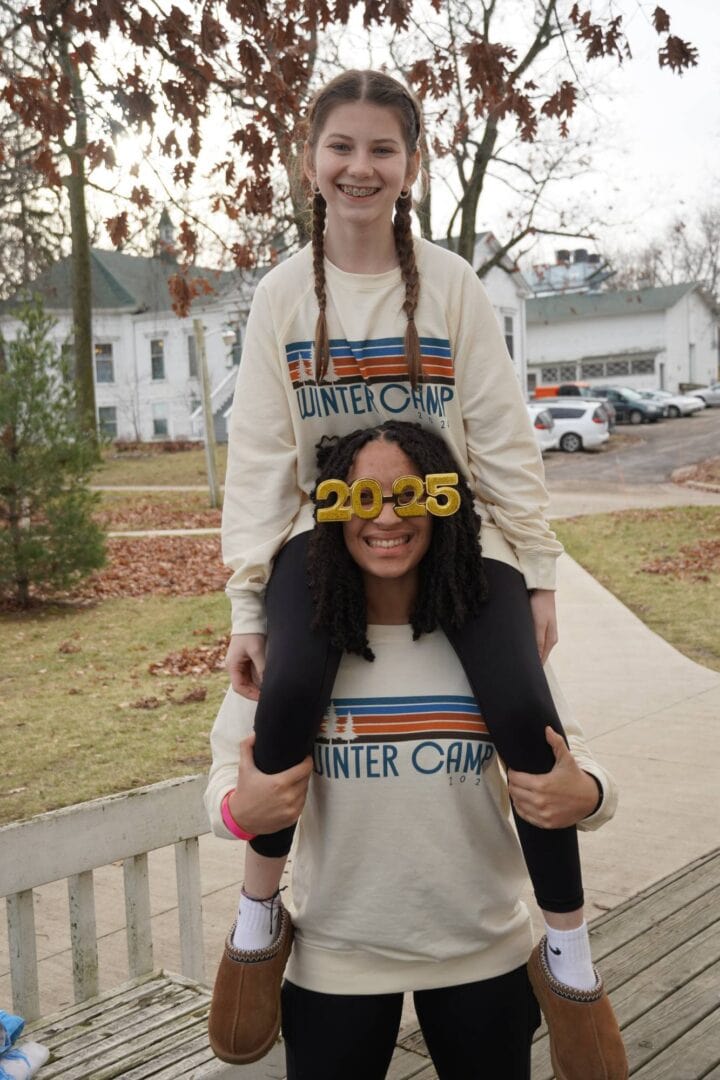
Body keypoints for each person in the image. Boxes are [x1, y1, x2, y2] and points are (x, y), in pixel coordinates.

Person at [217, 65, 618, 1068]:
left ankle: (566, 948)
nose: (361, 166)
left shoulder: (449, 285)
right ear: (310, 161)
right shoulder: (279, 296)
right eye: (341, 146)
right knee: (290, 698)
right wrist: (248, 603)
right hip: (330, 541)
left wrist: (536, 569)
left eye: (382, 148)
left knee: (527, 711)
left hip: (450, 537)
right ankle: (259, 919)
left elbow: (498, 432)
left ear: (411, 163)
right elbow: (262, 454)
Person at [207, 422, 626, 1079]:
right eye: (363, 498)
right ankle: (253, 929)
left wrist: (591, 795)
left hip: (483, 951)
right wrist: (241, 812)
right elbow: (221, 788)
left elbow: (583, 773)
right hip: (335, 958)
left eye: (409, 495)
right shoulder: (290, 654)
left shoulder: (493, 650)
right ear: (333, 513)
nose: (388, 517)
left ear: (444, 507)